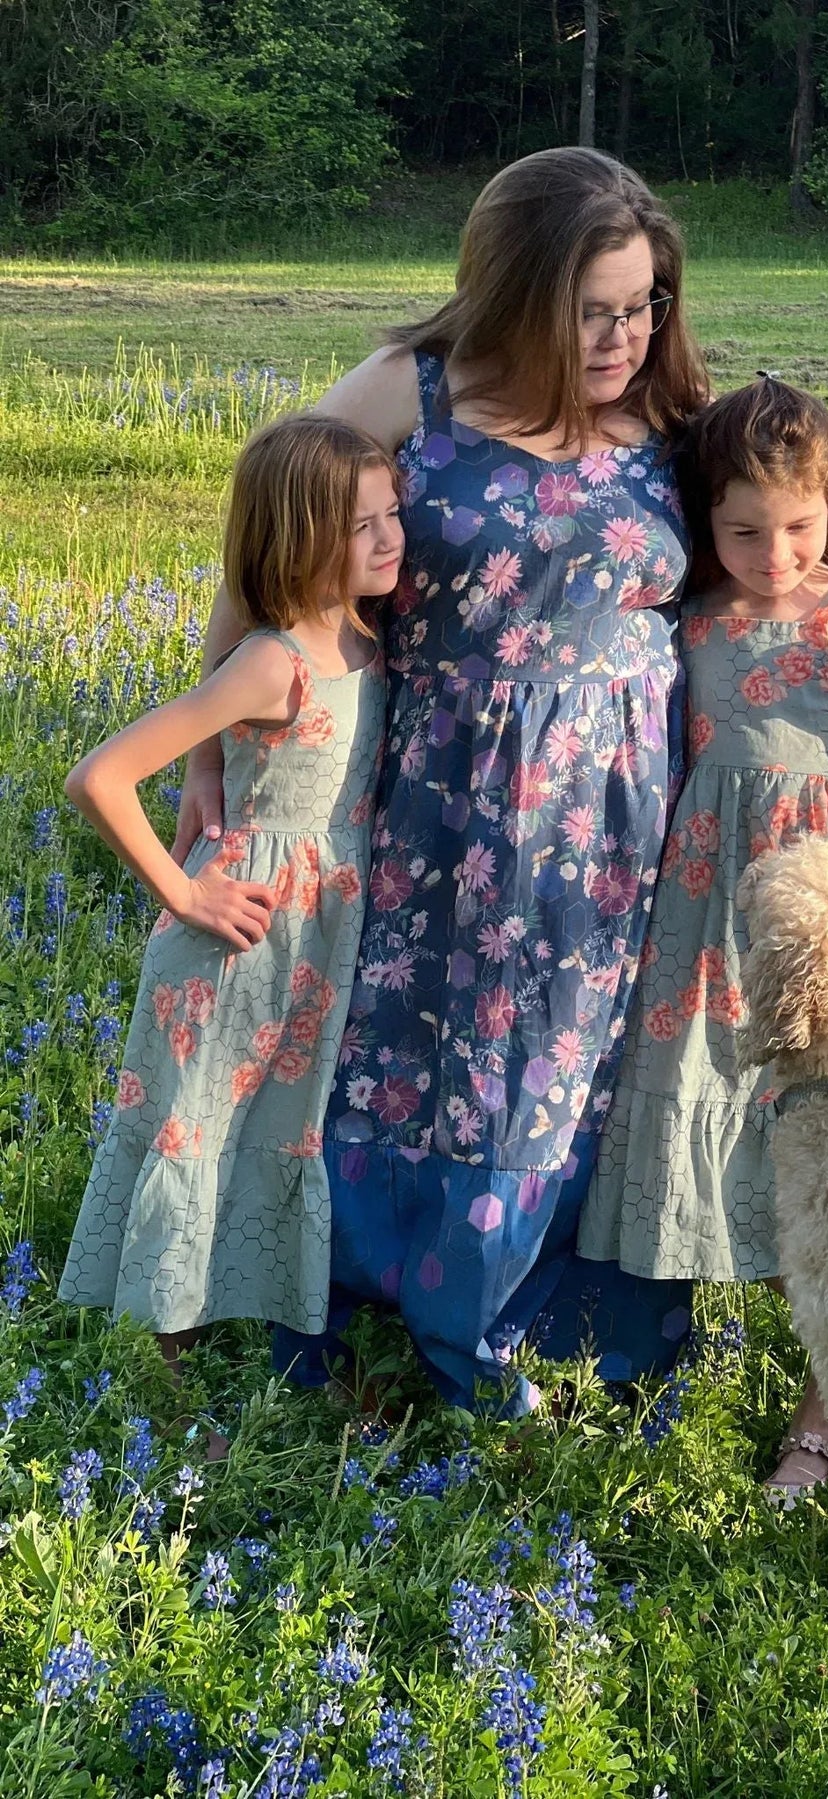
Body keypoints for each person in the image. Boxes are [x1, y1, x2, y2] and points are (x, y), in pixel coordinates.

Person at [171, 149, 710, 1416]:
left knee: (570, 1060)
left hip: (617, 822)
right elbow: (262, 554)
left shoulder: (674, 417)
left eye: (644, 306)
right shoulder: (411, 388)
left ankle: (561, 1316)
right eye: (594, 310)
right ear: (516, 290)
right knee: (410, 1048)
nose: (624, 335)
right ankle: (377, 1299)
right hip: (439, 798)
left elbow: (785, 544)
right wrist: (208, 754)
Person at [577, 375, 828, 1500]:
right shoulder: (693, 617)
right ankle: (653, 1368)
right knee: (723, 1132)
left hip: (827, 910)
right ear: (707, 520)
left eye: (799, 525)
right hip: (708, 911)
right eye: (744, 529)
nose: (775, 552)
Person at [58, 415, 396, 1384]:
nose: (390, 537)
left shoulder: (367, 636)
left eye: (392, 514)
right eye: (362, 524)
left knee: (274, 1127)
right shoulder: (272, 660)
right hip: (240, 931)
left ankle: (265, 1326)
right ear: (298, 540)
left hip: (319, 930)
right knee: (192, 1125)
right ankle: (165, 1375)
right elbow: (101, 776)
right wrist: (183, 890)